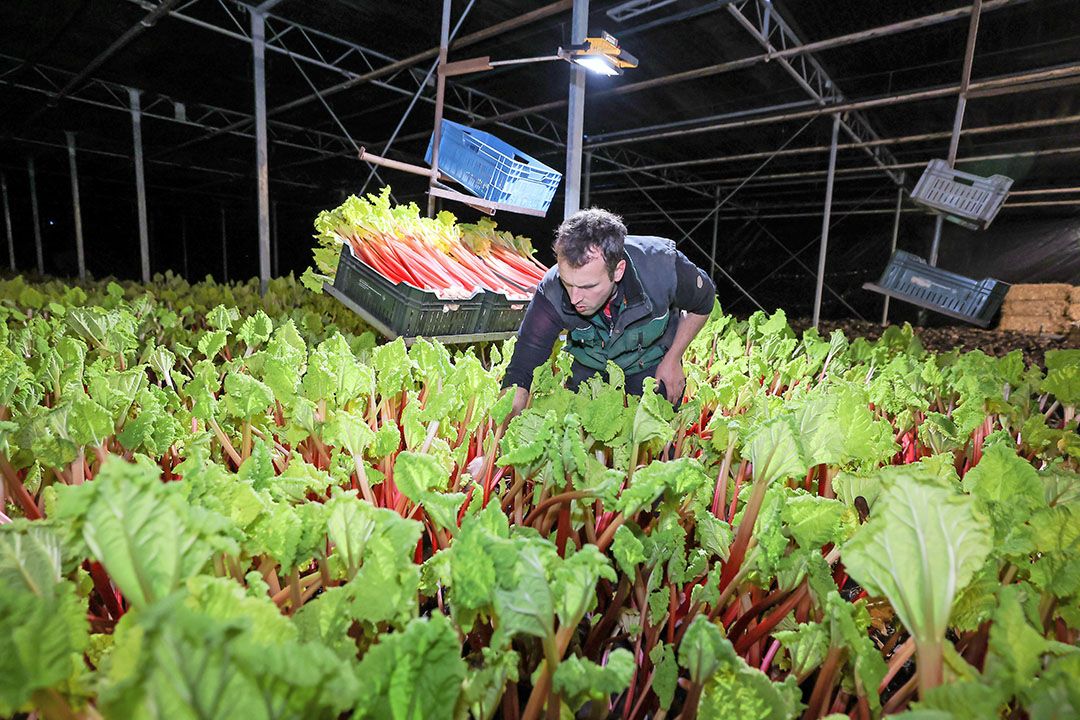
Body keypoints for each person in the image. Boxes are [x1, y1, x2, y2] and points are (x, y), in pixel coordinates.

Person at [502, 208, 716, 416]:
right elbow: (524, 361)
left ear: (618, 271)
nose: (575, 298)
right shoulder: (551, 289)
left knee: (656, 436)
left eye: (588, 287)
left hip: (649, 363)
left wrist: (673, 358)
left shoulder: (663, 266)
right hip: (591, 368)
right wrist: (505, 420)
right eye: (568, 283)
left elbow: (704, 303)